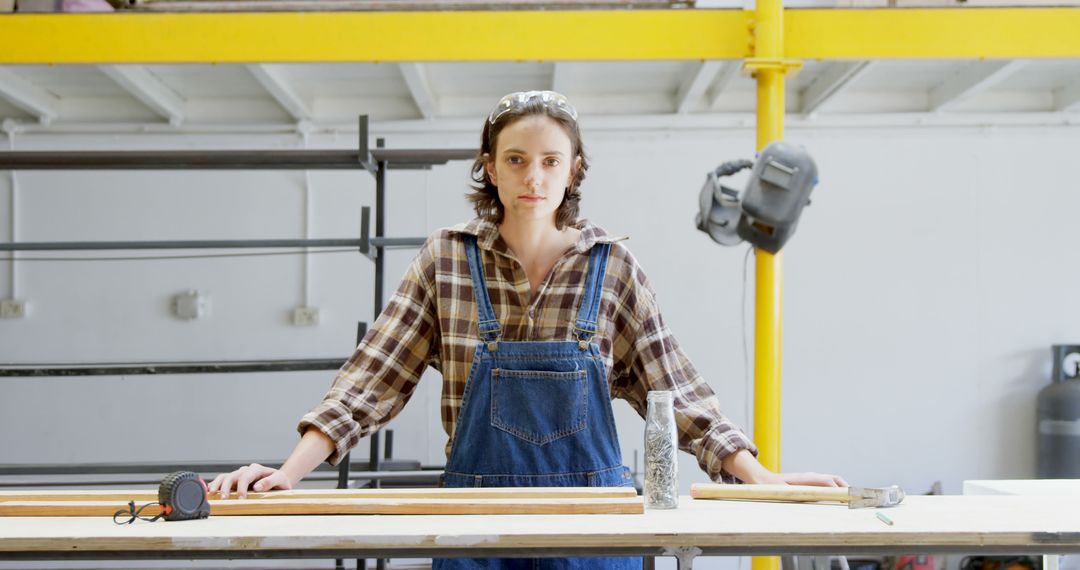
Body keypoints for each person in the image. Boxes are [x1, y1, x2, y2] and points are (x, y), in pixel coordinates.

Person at [209, 90, 846, 569]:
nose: (533, 176)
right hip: (477, 529)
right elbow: (371, 380)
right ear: (490, 167)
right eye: (516, 159)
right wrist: (288, 473)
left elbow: (677, 395)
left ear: (574, 170)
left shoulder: (612, 268)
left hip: (597, 535)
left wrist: (761, 479)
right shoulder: (446, 261)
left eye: (550, 160)